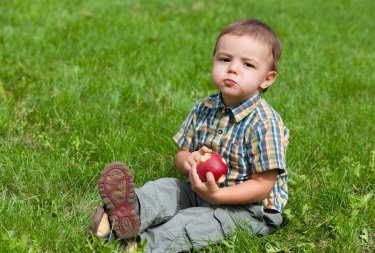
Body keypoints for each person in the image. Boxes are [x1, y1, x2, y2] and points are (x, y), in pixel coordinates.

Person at [89, 18, 289, 252]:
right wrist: (189, 161)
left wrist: (219, 197)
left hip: (249, 209)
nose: (233, 68)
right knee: (165, 189)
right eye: (225, 59)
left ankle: (140, 245)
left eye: (247, 65)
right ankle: (124, 215)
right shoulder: (204, 108)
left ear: (267, 78)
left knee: (195, 224)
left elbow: (262, 185)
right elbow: (181, 156)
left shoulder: (265, 123)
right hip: (199, 189)